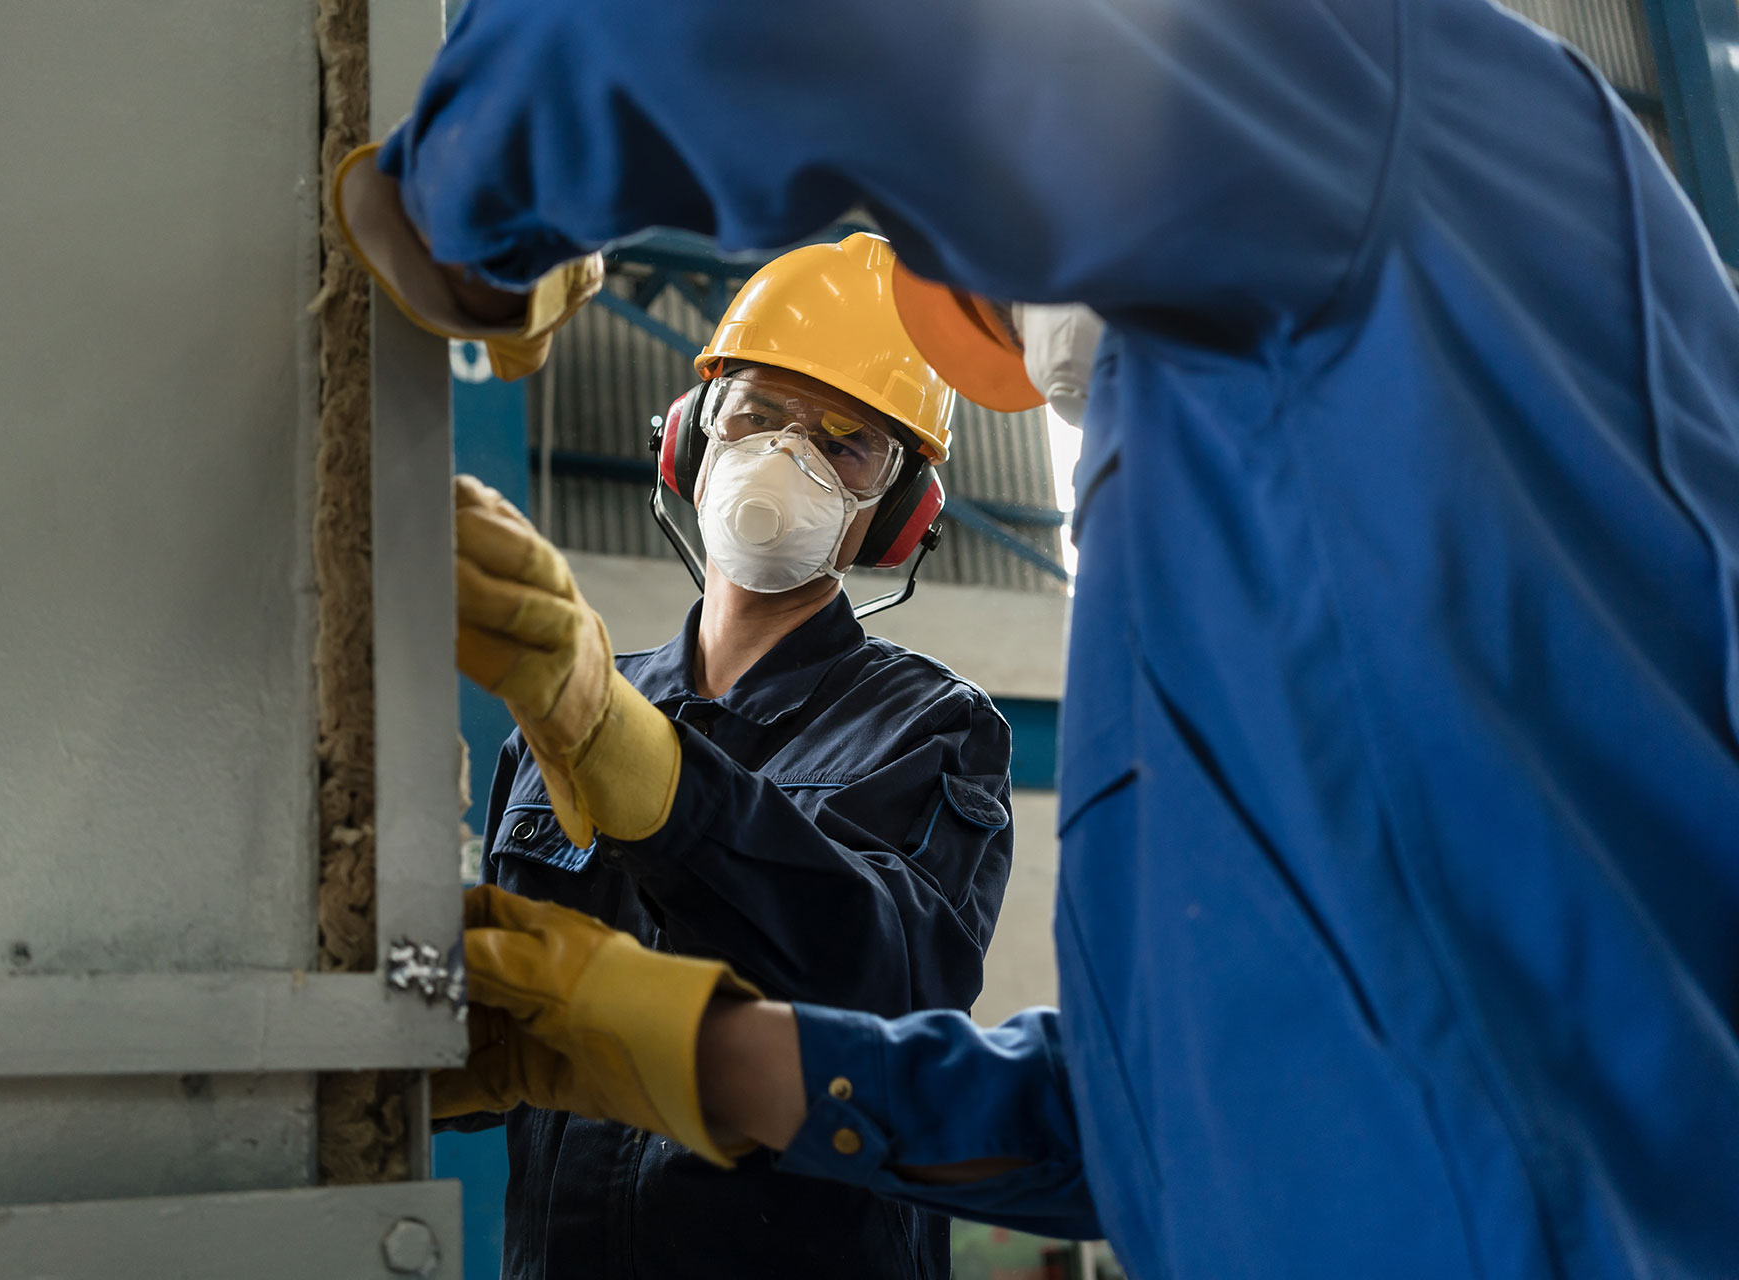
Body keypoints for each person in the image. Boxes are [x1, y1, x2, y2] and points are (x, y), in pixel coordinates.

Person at [331, 0, 1739, 1276]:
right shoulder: (1301, 495)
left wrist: (463, 204)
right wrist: (692, 1055)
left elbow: (779, 33)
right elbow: (1170, 1114)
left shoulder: (1372, 89)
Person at [434, 234, 1018, 1279]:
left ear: (895, 514)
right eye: (757, 413)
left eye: (846, 444)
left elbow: (888, 976)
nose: (787, 457)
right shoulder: (556, 720)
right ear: (690, 439)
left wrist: (652, 779)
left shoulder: (937, 730)